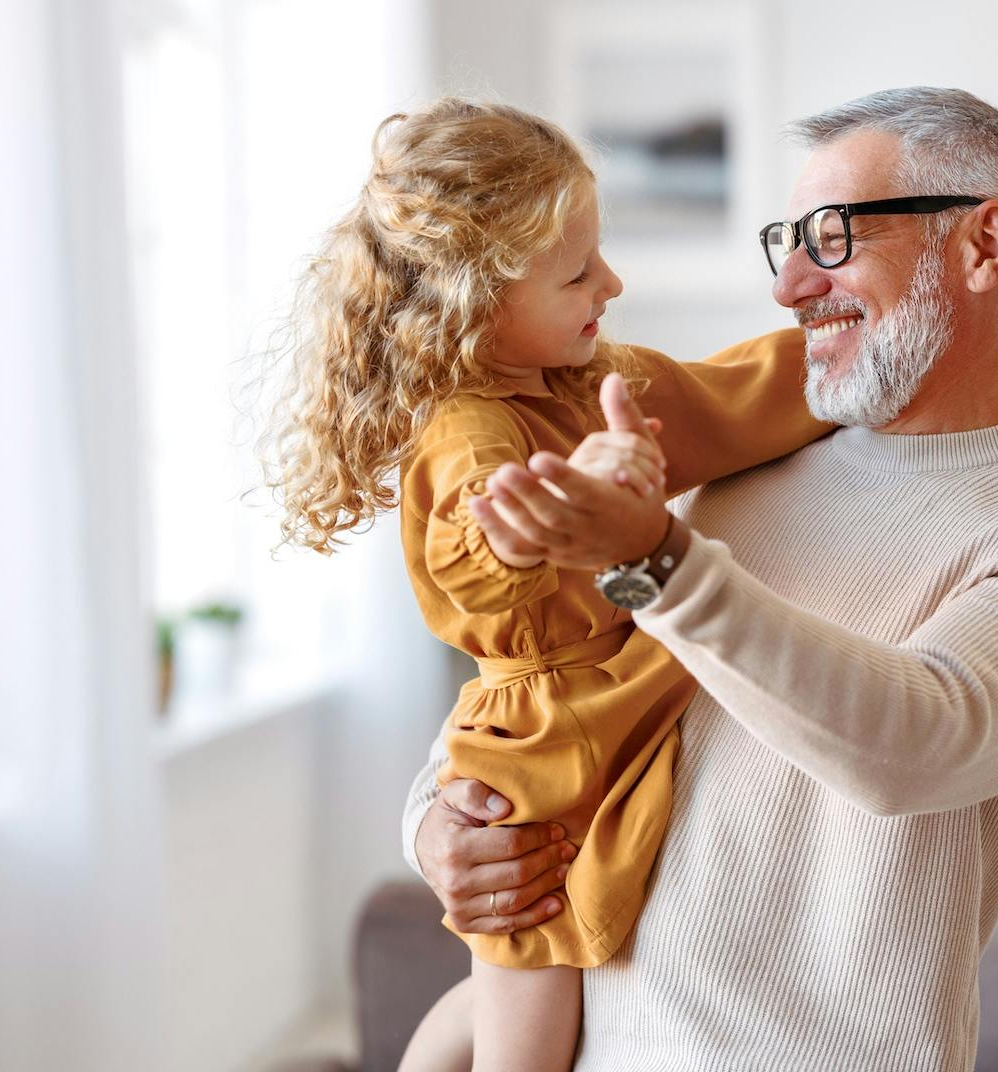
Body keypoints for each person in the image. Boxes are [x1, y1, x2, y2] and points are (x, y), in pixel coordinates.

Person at [402, 87, 998, 1070]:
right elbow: (554, 676)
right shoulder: (736, 461)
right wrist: (438, 822)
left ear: (982, 246)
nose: (792, 284)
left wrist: (654, 557)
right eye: (787, 240)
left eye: (836, 237)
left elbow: (912, 744)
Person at [258, 98, 831, 1072]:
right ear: (476, 304)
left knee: (509, 1009)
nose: (611, 281)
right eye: (578, 273)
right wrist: (574, 501)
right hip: (541, 751)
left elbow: (727, 398)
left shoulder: (590, 382)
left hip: (616, 688)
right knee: (527, 1015)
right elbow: (480, 551)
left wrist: (844, 356)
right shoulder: (469, 430)